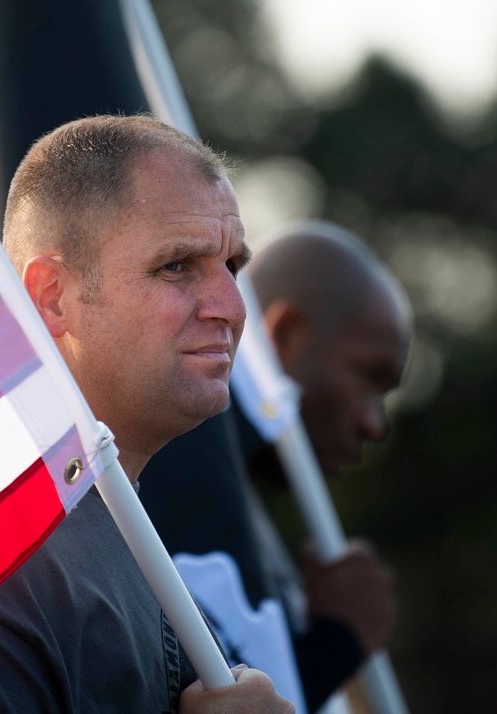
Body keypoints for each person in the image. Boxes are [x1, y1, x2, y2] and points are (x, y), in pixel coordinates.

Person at [0, 115, 295, 713]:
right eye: (176, 266)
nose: (229, 306)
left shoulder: (111, 537)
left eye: (232, 266)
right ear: (53, 297)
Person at [140, 221, 412, 712]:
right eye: (369, 377)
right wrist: (338, 637)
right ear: (286, 337)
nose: (376, 424)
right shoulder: (173, 466)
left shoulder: (235, 489)